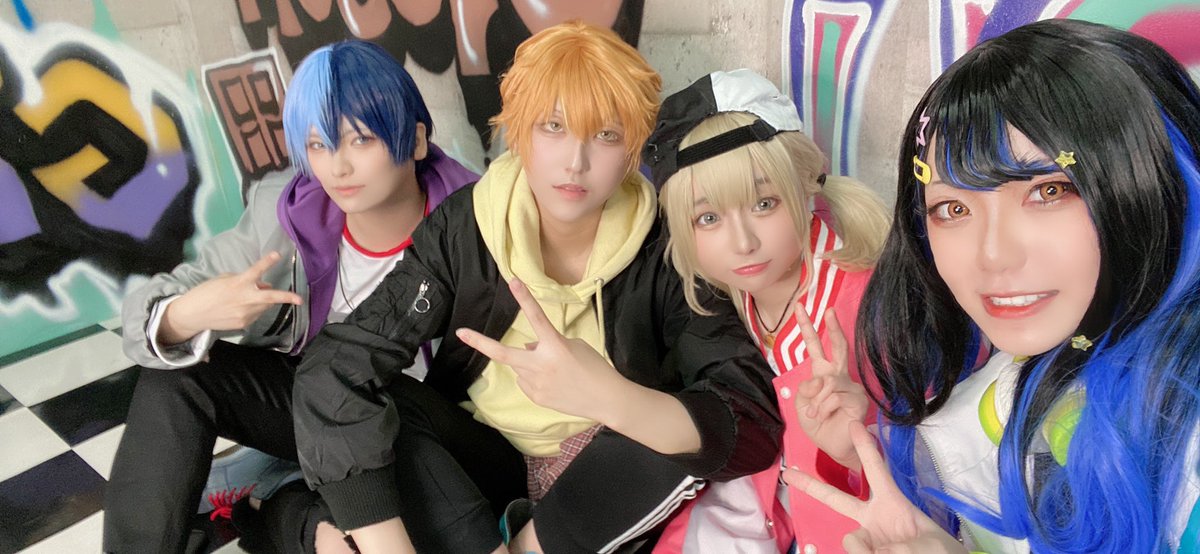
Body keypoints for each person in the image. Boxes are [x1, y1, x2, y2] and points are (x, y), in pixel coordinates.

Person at [290, 21, 783, 554]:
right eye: (553, 127)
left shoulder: (667, 243)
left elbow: (749, 415)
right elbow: (340, 362)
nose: (575, 162)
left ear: (633, 148)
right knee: (383, 398)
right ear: (520, 131)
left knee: (671, 424)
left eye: (606, 135)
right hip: (485, 460)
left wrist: (607, 395)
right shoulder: (469, 223)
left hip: (601, 476)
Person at [785, 18, 1200, 553]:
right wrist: (860, 454)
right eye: (953, 209)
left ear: (1159, 182)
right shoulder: (1016, 378)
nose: (992, 256)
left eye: (1050, 191)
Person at [103, 40, 477, 553]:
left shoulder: (478, 220)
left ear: (414, 141)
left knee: (336, 529)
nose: (337, 167)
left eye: (360, 139)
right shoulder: (287, 216)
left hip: (424, 427)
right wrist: (188, 313)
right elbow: (142, 314)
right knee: (180, 375)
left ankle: (277, 499)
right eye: (318, 144)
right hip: (319, 411)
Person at [644, 68, 889, 553]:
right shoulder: (723, 301)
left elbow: (941, 469)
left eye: (764, 203)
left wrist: (862, 444)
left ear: (805, 185)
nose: (743, 242)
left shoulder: (871, 306)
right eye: (708, 217)